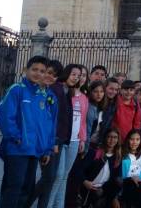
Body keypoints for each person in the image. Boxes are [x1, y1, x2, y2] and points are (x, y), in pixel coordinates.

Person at [0, 56, 57, 208]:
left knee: (26, 189)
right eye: (34, 69)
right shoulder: (17, 90)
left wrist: (47, 149)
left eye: (42, 71)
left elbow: (47, 125)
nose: (38, 74)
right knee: (13, 187)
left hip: (35, 150)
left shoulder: (44, 95)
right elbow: (5, 115)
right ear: (26, 70)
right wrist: (15, 137)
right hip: (17, 149)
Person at [50, 64, 88, 208]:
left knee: (64, 176)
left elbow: (83, 120)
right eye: (75, 74)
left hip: (74, 140)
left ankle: (58, 205)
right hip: (61, 139)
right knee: (58, 176)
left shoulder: (80, 96)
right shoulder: (60, 90)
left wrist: (82, 139)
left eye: (80, 76)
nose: (78, 78)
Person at [26, 60, 62, 208]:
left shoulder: (51, 96)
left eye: (54, 75)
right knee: (27, 182)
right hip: (29, 143)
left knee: (49, 178)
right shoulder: (26, 91)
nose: (49, 77)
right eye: (48, 72)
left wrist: (51, 143)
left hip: (46, 144)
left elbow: (52, 123)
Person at [77, 128, 122, 208]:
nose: (112, 140)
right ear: (105, 138)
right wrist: (85, 181)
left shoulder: (117, 157)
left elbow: (116, 179)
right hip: (89, 187)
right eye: (109, 137)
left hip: (105, 190)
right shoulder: (95, 152)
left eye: (115, 137)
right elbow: (79, 169)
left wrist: (115, 198)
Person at [120, 129, 141, 208]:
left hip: (140, 181)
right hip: (126, 181)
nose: (134, 142)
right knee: (140, 188)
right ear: (128, 140)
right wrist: (132, 178)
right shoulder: (122, 152)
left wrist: (138, 178)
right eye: (132, 139)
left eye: (137, 139)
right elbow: (121, 174)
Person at [86, 81, 107, 148]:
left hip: (96, 144)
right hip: (87, 143)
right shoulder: (88, 106)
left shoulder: (102, 108)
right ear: (91, 92)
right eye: (95, 91)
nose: (99, 94)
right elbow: (88, 129)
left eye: (101, 91)